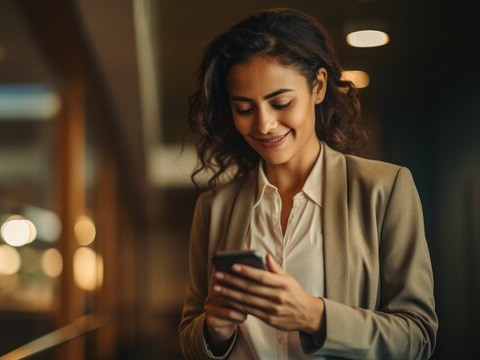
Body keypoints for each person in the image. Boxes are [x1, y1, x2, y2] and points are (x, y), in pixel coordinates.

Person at [179, 8, 437, 360]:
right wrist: (214, 330)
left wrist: (315, 316)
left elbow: (417, 336)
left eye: (280, 102)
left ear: (317, 86)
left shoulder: (385, 189)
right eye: (244, 108)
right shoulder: (214, 208)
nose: (265, 124)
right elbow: (190, 336)